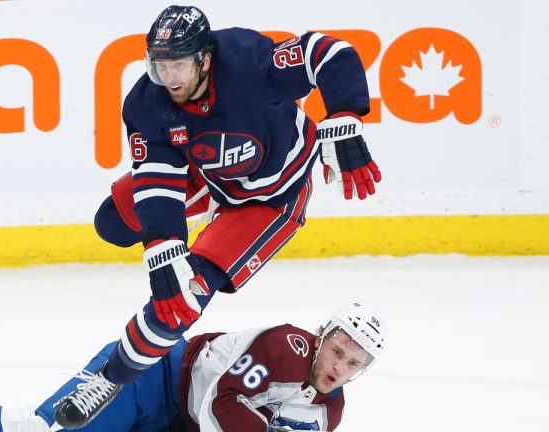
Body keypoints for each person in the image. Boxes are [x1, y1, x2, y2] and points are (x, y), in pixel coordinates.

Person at [59, 5, 383, 428]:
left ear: (205, 58)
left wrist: (344, 112)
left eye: (177, 65)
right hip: (207, 171)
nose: (169, 78)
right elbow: (157, 177)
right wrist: (162, 245)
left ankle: (112, 378)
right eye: (159, 67)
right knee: (113, 223)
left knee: (182, 300)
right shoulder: (145, 103)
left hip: (269, 199)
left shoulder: (249, 60)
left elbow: (329, 51)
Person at [0, 303, 386, 432]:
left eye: (353, 364)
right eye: (338, 350)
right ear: (321, 338)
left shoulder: (328, 412)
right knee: (50, 427)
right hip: (149, 378)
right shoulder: (284, 347)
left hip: (176, 419)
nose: (339, 367)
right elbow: (215, 404)